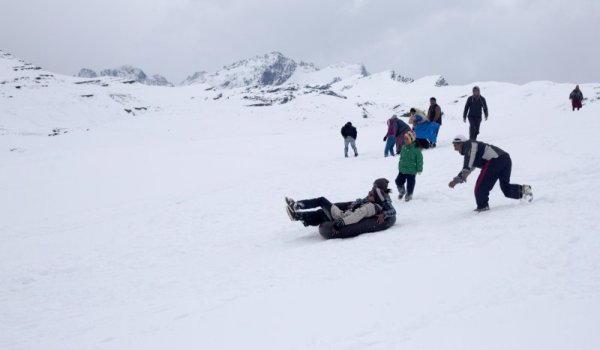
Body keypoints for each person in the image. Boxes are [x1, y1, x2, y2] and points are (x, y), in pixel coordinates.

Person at [448, 135, 533, 212]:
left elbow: (468, 163)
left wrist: (465, 173)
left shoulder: (469, 144)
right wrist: (456, 180)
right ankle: (526, 190)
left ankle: (483, 206)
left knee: (480, 187)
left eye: (456, 145)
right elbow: (469, 166)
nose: (455, 148)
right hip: (505, 159)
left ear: (462, 142)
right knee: (506, 189)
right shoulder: (471, 153)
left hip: (495, 160)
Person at [285, 178, 396, 232]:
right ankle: (297, 216)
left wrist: (341, 223)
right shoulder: (372, 199)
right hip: (344, 213)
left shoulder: (374, 205)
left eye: (373, 188)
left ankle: (297, 205)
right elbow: (363, 201)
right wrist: (354, 204)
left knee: (322, 200)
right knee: (321, 214)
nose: (370, 192)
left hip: (341, 217)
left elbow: (392, 211)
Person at [395, 131, 423, 202]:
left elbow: (420, 160)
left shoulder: (416, 149)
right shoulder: (403, 147)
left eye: (407, 139)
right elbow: (401, 157)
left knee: (410, 184)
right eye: (404, 139)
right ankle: (402, 191)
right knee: (398, 181)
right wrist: (400, 165)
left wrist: (419, 169)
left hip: (412, 170)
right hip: (402, 169)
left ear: (412, 139)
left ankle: (409, 194)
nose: (405, 140)